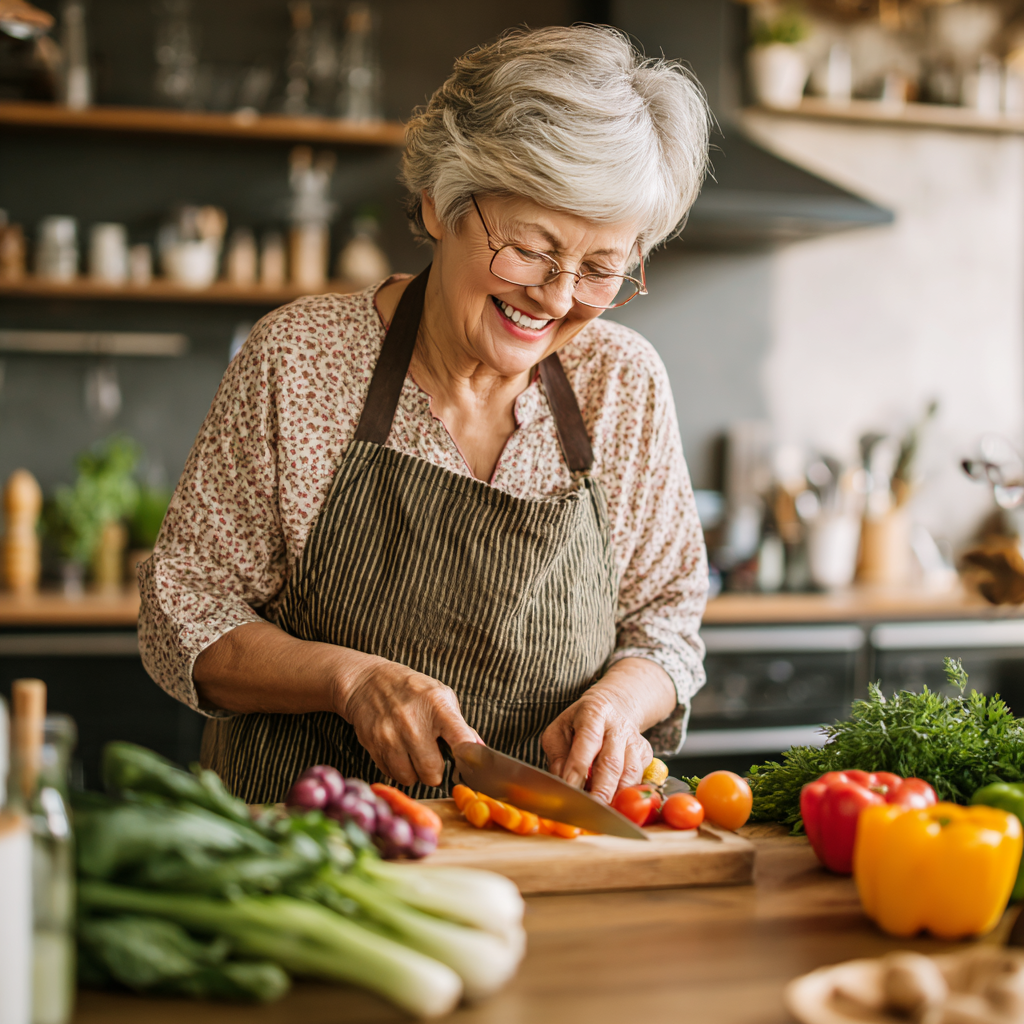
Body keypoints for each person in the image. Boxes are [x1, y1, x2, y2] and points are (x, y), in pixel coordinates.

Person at [138, 23, 712, 804]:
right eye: (532, 248)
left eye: (601, 268)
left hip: (549, 852)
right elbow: (183, 614)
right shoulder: (299, 358)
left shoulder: (623, 383)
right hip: (314, 860)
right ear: (440, 202)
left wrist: (620, 702)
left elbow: (668, 624)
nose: (556, 295)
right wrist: (347, 679)